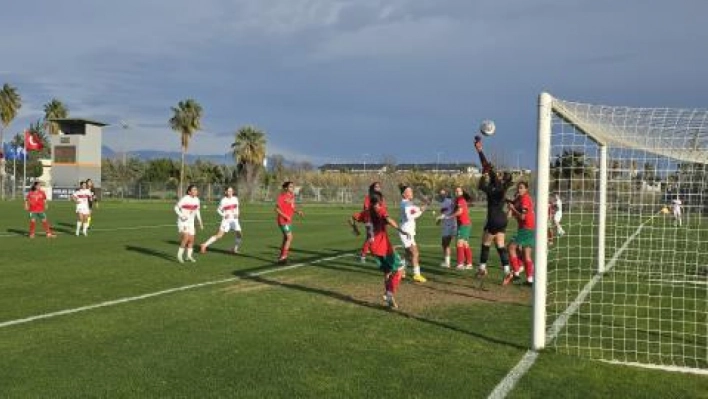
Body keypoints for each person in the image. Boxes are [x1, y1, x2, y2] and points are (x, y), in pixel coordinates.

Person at [474, 137, 514, 279]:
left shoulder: (496, 184)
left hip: (494, 219)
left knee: (485, 243)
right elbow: (487, 167)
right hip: (502, 219)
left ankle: (482, 269)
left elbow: (482, 181)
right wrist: (480, 151)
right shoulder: (502, 187)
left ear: (502, 179)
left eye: (500, 174)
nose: (498, 173)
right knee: (500, 245)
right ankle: (507, 272)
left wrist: (479, 151)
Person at [369, 193, 410, 309]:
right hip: (383, 247)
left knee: (387, 272)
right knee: (400, 268)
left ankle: (389, 299)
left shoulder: (368, 211)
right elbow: (388, 219)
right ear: (380, 201)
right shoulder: (380, 210)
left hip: (373, 247)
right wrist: (400, 230)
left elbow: (355, 218)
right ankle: (389, 293)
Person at [505, 182, 536, 285]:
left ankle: (517, 273)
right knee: (526, 254)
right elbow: (508, 216)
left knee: (510, 247)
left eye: (522, 188)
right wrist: (511, 207)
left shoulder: (525, 199)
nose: (519, 190)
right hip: (528, 228)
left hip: (527, 228)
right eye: (518, 188)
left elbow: (523, 217)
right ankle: (529, 280)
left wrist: (513, 208)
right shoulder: (518, 200)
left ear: (526, 189)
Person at [437, 186, 473, 270]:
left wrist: (449, 216)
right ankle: (469, 263)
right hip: (465, 224)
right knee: (465, 244)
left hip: (464, 224)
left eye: (458, 191)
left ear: (462, 192)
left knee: (459, 243)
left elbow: (460, 211)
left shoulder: (460, 200)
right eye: (456, 191)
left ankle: (460, 264)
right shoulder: (458, 200)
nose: (457, 193)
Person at [349, 182, 385, 263]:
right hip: (369, 219)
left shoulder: (381, 198)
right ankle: (363, 256)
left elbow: (382, 208)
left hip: (378, 220)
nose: (378, 188)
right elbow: (366, 209)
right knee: (370, 238)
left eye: (379, 186)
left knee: (376, 238)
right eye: (376, 186)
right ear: (372, 188)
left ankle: (373, 252)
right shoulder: (368, 198)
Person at [398, 185, 428, 283]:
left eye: (411, 191)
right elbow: (409, 216)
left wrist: (421, 209)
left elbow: (415, 210)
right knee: (415, 253)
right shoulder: (406, 204)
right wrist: (421, 211)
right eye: (409, 191)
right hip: (406, 232)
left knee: (408, 254)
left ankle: (400, 271)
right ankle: (416, 275)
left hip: (408, 232)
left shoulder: (408, 203)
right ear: (404, 194)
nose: (411, 193)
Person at [200, 186, 242, 254]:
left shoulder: (235, 199)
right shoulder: (223, 200)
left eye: (231, 191)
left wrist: (237, 214)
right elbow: (218, 210)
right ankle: (204, 245)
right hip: (226, 221)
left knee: (239, 234)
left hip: (234, 220)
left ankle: (234, 249)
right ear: (226, 192)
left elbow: (237, 208)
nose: (230, 192)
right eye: (229, 191)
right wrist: (224, 215)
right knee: (219, 235)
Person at [275, 181, 304, 264]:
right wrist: (285, 216)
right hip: (282, 220)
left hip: (288, 221)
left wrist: (298, 211)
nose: (292, 188)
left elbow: (292, 208)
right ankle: (283, 258)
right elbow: (276, 209)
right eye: (291, 186)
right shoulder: (282, 196)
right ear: (286, 188)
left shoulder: (292, 196)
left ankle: (281, 257)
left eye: (293, 186)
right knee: (290, 237)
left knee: (286, 238)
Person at [174, 184, 203, 263]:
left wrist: (200, 221)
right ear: (189, 192)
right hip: (183, 222)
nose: (195, 191)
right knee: (186, 238)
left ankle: (189, 256)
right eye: (193, 190)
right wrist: (182, 215)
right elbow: (176, 207)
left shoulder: (197, 200)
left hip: (191, 223)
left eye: (196, 190)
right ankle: (179, 255)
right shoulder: (185, 199)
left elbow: (197, 211)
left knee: (191, 240)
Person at [436, 188, 457, 268]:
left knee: (446, 244)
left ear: (446, 194)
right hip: (446, 225)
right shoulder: (443, 202)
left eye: (443, 193)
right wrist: (439, 220)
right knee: (445, 244)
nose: (441, 195)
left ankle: (448, 263)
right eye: (440, 194)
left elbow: (454, 209)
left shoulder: (449, 201)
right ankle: (447, 262)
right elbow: (443, 213)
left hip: (450, 225)